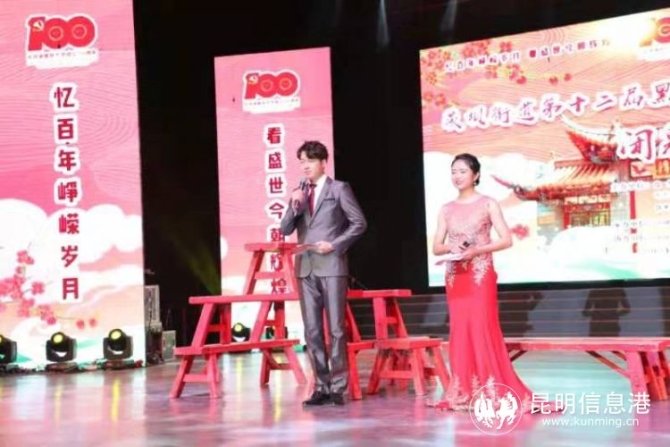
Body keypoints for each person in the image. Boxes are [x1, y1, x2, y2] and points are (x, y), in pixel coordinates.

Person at [431, 153, 535, 412]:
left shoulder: (488, 203)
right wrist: (453, 247)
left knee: (481, 327)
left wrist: (477, 250)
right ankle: (464, 390)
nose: (457, 176)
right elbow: (436, 247)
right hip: (456, 276)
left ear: (476, 175)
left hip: (479, 275)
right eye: (454, 171)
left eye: (462, 171)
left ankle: (491, 389)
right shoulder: (446, 209)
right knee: (460, 330)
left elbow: (506, 239)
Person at [280, 141, 367, 406]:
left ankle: (339, 387)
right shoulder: (300, 193)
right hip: (305, 268)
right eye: (302, 161)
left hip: (332, 266)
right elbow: (285, 229)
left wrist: (336, 244)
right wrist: (294, 204)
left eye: (310, 160)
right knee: (312, 330)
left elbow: (359, 223)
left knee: (337, 329)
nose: (305, 166)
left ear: (323, 163)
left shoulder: (338, 188)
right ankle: (321, 386)